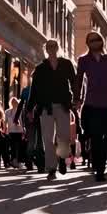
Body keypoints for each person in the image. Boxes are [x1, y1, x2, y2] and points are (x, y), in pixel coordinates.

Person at [75, 31, 107, 182]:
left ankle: (100, 164)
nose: (94, 42)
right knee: (96, 138)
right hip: (91, 103)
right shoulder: (83, 60)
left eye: (97, 40)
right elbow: (78, 80)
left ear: (101, 42)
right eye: (91, 41)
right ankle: (100, 169)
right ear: (88, 44)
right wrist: (77, 99)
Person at [27, 39, 78, 180]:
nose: (51, 48)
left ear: (58, 47)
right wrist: (30, 108)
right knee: (47, 139)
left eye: (54, 46)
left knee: (64, 137)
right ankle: (51, 169)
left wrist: (77, 99)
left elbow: (74, 82)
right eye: (49, 47)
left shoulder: (66, 64)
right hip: (46, 107)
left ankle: (61, 159)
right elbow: (34, 90)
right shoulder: (40, 68)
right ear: (46, 49)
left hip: (63, 105)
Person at [4, 96, 27, 170]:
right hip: (11, 131)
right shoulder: (7, 111)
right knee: (13, 146)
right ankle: (14, 160)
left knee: (20, 146)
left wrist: (24, 130)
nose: (14, 103)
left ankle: (19, 161)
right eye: (12, 102)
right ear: (10, 103)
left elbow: (23, 121)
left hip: (20, 131)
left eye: (15, 102)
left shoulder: (21, 111)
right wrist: (4, 129)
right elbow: (5, 121)